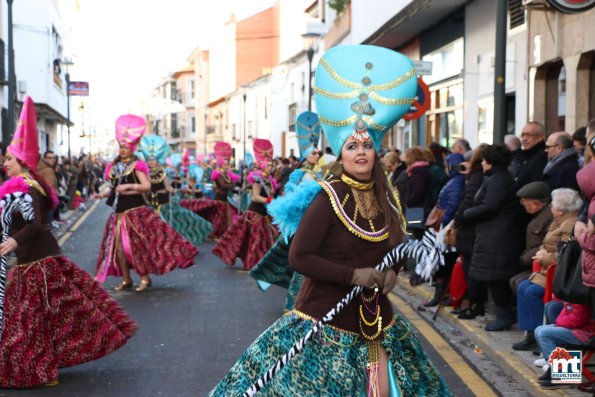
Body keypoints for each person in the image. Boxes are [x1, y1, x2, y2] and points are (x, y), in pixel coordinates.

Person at [209, 44, 450, 397]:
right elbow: (299, 257)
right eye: (352, 146)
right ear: (342, 153)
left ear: (376, 151)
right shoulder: (328, 196)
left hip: (374, 320)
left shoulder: (387, 198)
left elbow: (394, 250)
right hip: (325, 320)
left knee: (381, 391)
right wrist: (353, 275)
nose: (361, 152)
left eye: (367, 145)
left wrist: (391, 275)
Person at [0, 97, 137, 388]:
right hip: (32, 262)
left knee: (30, 321)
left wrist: (13, 241)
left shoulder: (29, 186)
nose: (5, 163)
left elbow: (37, 224)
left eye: (9, 159)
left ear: (21, 161)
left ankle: (39, 370)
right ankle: (39, 368)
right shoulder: (24, 185)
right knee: (34, 320)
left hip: (39, 264)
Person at [94, 114, 198, 292]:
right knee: (117, 249)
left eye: (126, 147)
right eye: (121, 147)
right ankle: (127, 279)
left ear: (132, 148)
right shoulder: (116, 167)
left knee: (135, 247)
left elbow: (146, 186)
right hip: (118, 214)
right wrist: (102, 195)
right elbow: (114, 189)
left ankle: (144, 278)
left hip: (135, 213)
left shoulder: (137, 165)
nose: (123, 150)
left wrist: (128, 187)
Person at [250, 111, 323, 310]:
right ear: (306, 155)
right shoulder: (301, 174)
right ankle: (296, 304)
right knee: (303, 266)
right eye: (314, 152)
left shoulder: (317, 174)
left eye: (319, 153)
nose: (318, 155)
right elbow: (294, 199)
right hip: (303, 225)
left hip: (315, 225)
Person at [512, 188, 581, 351]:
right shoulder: (560, 222)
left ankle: (557, 366)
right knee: (551, 313)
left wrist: (545, 257)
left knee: (551, 330)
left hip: (582, 332)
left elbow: (566, 254)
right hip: (562, 289)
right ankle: (552, 364)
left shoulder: (572, 226)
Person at [462, 144, 522, 331]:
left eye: (484, 160)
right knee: (495, 275)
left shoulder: (498, 179)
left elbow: (490, 205)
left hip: (498, 235)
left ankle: (503, 315)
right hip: (494, 233)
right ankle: (504, 314)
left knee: (496, 276)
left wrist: (467, 214)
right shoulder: (498, 176)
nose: (482, 163)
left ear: (489, 162)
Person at [212, 139, 279, 271]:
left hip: (265, 214)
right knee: (256, 240)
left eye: (271, 165)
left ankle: (263, 262)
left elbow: (270, 194)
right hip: (255, 214)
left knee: (267, 239)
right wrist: (269, 200)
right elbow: (255, 197)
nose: (271, 167)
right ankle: (253, 263)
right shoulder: (257, 179)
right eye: (268, 165)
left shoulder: (269, 180)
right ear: (263, 165)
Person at [139, 135, 212, 246]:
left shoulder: (162, 173)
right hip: (151, 206)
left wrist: (177, 190)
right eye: (150, 160)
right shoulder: (143, 174)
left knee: (173, 224)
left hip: (164, 205)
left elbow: (168, 187)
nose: (152, 162)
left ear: (157, 160)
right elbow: (143, 190)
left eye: (153, 160)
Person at [508, 182, 554, 293]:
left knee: (521, 284)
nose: (522, 204)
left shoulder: (548, 217)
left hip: (543, 265)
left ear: (535, 203)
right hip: (535, 264)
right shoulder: (539, 216)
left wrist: (525, 258)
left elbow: (547, 244)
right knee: (515, 281)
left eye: (524, 202)